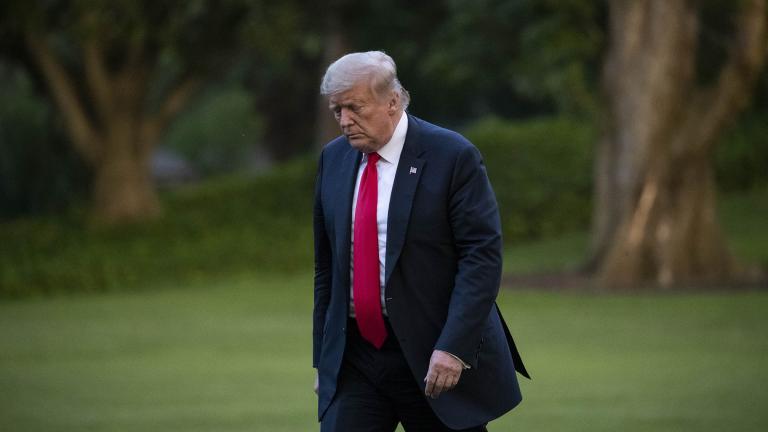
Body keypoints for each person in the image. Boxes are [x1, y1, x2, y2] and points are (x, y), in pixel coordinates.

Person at [313, 51, 529, 432]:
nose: (344, 121)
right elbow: (326, 268)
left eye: (355, 108)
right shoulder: (334, 159)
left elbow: (481, 258)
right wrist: (323, 360)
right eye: (337, 110)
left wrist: (454, 347)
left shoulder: (452, 156)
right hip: (357, 359)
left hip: (434, 355)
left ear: (392, 101)